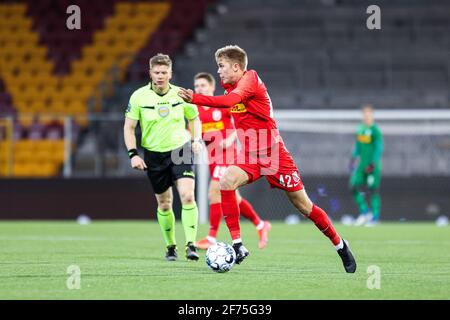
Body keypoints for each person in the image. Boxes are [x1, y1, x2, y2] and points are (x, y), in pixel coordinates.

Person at [179, 45, 356, 272]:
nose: (219, 71)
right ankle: (238, 245)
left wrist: (195, 98)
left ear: (236, 66)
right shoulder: (228, 87)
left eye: (221, 66)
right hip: (250, 156)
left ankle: (340, 245)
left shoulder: (250, 79)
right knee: (225, 181)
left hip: (275, 156)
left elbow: (229, 102)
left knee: (304, 206)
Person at [124, 53, 202, 261]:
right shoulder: (139, 97)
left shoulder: (181, 94)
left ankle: (191, 245)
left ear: (170, 73)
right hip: (153, 155)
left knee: (187, 195)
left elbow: (194, 118)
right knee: (165, 204)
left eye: (164, 72)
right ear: (150, 73)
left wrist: (196, 140)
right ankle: (170, 246)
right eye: (156, 72)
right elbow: (129, 128)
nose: (160, 76)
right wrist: (133, 155)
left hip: (180, 149)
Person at [193, 72, 272, 250]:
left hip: (228, 156)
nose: (200, 89)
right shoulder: (195, 111)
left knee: (214, 191)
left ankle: (211, 238)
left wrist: (231, 137)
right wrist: (195, 141)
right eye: (197, 86)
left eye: (203, 85)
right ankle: (261, 225)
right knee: (233, 198)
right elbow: (192, 132)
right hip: (213, 159)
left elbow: (242, 119)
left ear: (212, 88)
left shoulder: (222, 105)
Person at [349, 104, 384, 227]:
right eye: (365, 115)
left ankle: (374, 218)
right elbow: (358, 147)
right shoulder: (360, 129)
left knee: (373, 191)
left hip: (372, 166)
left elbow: (379, 148)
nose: (366, 117)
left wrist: (373, 163)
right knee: (353, 186)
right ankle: (365, 212)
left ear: (372, 116)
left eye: (369, 114)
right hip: (361, 165)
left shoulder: (376, 131)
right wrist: (353, 158)